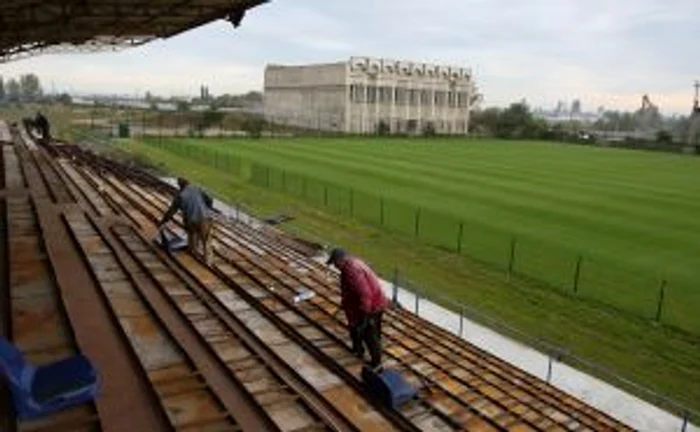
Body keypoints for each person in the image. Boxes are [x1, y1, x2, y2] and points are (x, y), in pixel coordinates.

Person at [327, 248, 388, 369]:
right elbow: (350, 290)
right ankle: (358, 350)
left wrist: (365, 316)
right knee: (358, 328)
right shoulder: (353, 263)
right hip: (375, 303)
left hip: (371, 307)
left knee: (369, 334)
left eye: (335, 263)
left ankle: (377, 364)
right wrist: (345, 302)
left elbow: (365, 294)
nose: (335, 266)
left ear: (340, 260)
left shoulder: (351, 270)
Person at [157, 178, 214, 263]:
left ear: (180, 186)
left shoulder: (180, 196)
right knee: (206, 242)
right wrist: (207, 207)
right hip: (204, 218)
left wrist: (163, 222)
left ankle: (193, 258)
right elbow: (210, 199)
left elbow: (171, 212)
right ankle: (208, 262)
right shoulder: (197, 188)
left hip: (190, 221)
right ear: (188, 183)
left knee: (192, 240)